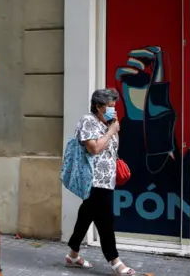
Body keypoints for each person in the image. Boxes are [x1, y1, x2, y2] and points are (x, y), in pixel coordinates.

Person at [66, 88, 136, 275]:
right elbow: (94, 149)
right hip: (94, 179)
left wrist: (111, 128)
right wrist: (111, 131)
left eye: (115, 106)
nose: (114, 110)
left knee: (86, 216)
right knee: (106, 220)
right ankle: (115, 262)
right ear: (98, 106)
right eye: (110, 106)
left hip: (107, 179)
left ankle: (72, 255)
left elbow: (110, 151)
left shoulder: (109, 122)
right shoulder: (88, 121)